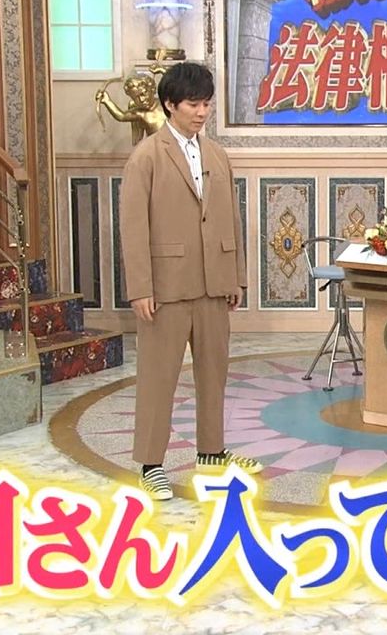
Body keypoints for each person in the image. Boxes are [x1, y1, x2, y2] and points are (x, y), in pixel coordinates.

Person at [120, 62, 261, 501]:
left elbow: (230, 218)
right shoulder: (146, 156)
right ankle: (151, 465)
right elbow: (133, 227)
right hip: (166, 287)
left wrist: (235, 276)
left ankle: (212, 453)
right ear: (170, 105)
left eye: (206, 104)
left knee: (214, 374)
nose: (202, 113)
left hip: (213, 283)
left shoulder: (216, 154)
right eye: (193, 105)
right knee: (158, 378)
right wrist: (141, 288)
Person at [96, 75, 167, 145]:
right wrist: (107, 101)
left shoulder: (167, 104)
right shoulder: (140, 113)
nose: (141, 100)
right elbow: (121, 116)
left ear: (153, 89)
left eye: (143, 94)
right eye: (135, 98)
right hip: (156, 147)